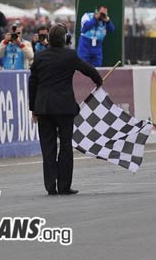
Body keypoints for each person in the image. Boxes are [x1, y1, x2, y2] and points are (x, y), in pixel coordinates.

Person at [29, 23, 103, 196]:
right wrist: (98, 81)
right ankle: (64, 186)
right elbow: (88, 70)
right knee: (65, 146)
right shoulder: (70, 56)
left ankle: (50, 186)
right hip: (64, 108)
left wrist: (33, 108)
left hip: (44, 108)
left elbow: (32, 84)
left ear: (48, 40)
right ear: (66, 40)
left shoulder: (39, 57)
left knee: (47, 147)